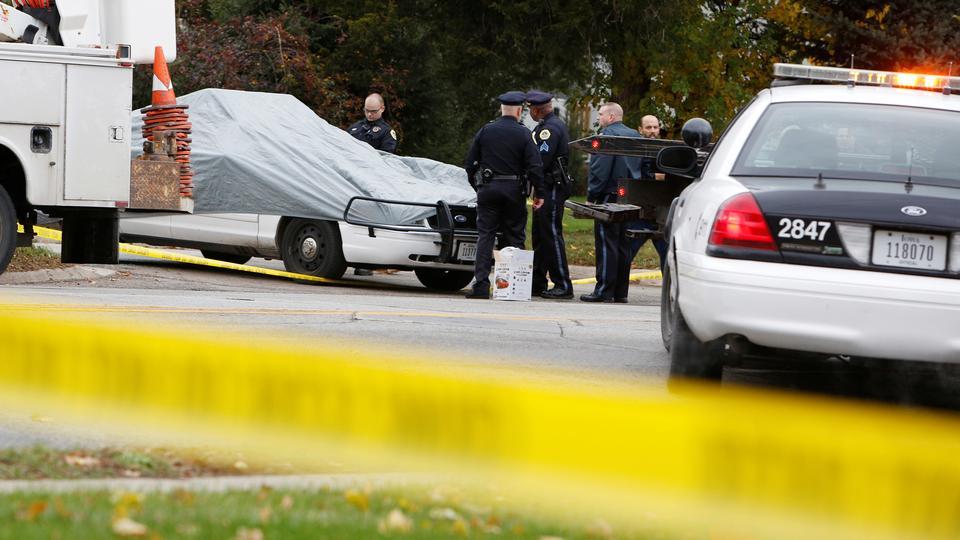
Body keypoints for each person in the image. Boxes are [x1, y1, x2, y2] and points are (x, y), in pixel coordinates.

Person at [463, 91, 545, 299]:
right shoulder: (524, 133)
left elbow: (470, 163)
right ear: (519, 110)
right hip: (513, 191)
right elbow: (535, 166)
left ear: (502, 109)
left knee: (485, 237)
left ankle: (481, 285)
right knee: (514, 236)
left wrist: (478, 186)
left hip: (488, 190)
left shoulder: (486, 130)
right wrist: (539, 192)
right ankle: (512, 287)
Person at [582, 103, 640, 303]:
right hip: (630, 197)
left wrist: (592, 195)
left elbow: (600, 169)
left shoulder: (605, 136)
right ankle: (620, 291)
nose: (598, 118)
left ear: (612, 116)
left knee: (607, 243)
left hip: (609, 195)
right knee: (624, 243)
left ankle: (604, 290)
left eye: (601, 114)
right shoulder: (635, 136)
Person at [526, 90, 574, 299]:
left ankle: (563, 283)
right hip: (546, 187)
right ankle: (538, 281)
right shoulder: (546, 126)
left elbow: (541, 161)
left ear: (536, 109)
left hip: (551, 187)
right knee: (541, 234)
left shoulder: (550, 129)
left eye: (530, 109)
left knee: (552, 235)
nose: (530, 113)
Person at [347, 93, 397, 276]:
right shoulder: (354, 129)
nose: (369, 114)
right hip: (351, 181)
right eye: (367, 110)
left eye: (373, 111)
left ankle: (366, 264)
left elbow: (387, 157)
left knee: (368, 223)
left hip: (371, 183)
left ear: (382, 109)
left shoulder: (386, 132)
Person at [627, 114, 668, 267]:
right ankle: (614, 290)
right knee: (627, 254)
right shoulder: (635, 151)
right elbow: (637, 176)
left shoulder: (665, 150)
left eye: (655, 127)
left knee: (668, 258)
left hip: (661, 215)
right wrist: (657, 177)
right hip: (640, 213)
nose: (652, 131)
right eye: (648, 127)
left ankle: (669, 291)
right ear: (640, 129)